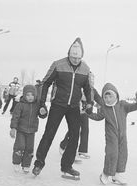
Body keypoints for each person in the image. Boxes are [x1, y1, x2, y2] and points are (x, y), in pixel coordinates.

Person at [32, 37, 93, 178]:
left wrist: (89, 103)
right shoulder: (58, 65)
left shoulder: (85, 69)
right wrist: (42, 104)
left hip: (73, 107)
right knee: (49, 134)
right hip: (58, 105)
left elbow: (88, 88)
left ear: (82, 57)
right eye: (73, 57)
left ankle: (66, 166)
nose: (76, 60)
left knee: (74, 135)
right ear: (69, 54)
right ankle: (38, 163)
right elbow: (45, 83)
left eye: (78, 58)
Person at [88, 83, 137, 185]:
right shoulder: (104, 108)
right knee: (112, 154)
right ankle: (106, 173)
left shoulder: (122, 105)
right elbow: (98, 117)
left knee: (123, 154)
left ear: (116, 96)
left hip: (122, 136)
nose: (108, 99)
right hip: (111, 136)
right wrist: (88, 113)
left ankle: (117, 174)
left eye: (110, 96)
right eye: (105, 97)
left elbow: (133, 106)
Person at [10, 85, 46, 173]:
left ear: (35, 96)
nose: (30, 97)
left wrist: (43, 112)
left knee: (29, 148)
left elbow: (42, 114)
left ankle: (26, 164)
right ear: (24, 95)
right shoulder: (20, 105)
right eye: (28, 95)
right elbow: (15, 117)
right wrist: (13, 128)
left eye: (32, 95)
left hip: (31, 130)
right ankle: (16, 163)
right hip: (21, 130)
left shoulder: (37, 105)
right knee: (20, 146)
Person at [59, 93, 90, 159]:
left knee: (85, 130)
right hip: (75, 111)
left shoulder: (92, 90)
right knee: (74, 129)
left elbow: (97, 98)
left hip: (84, 112)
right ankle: (63, 145)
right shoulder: (79, 86)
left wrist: (100, 104)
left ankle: (82, 150)